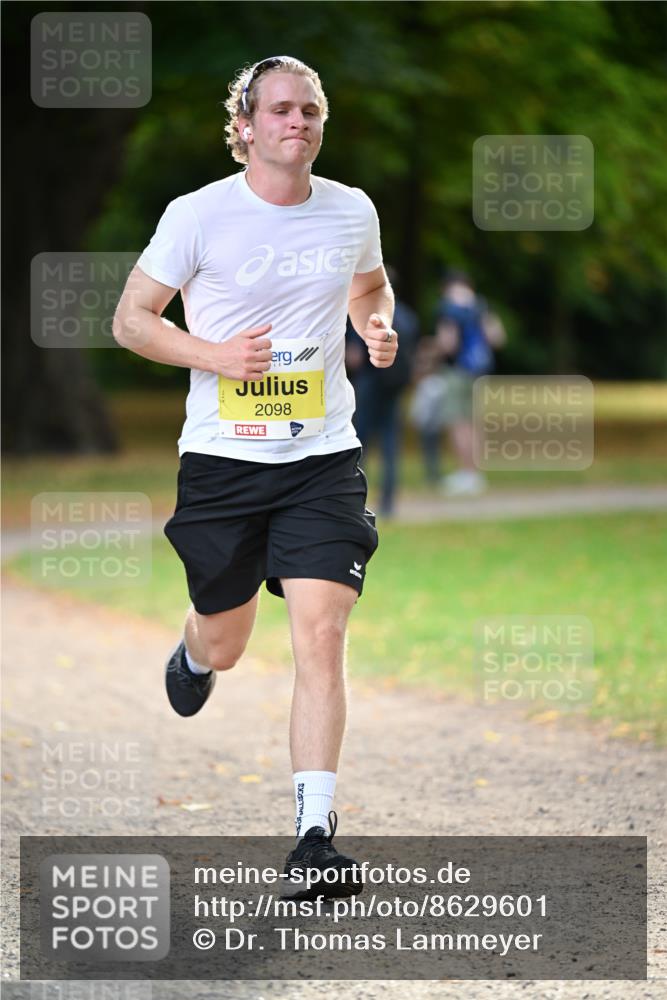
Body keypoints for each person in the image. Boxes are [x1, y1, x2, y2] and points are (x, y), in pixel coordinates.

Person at [113, 56, 398, 898]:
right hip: (223, 463)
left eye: (310, 109)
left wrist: (375, 326)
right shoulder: (196, 215)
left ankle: (314, 837)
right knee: (230, 638)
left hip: (321, 458)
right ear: (243, 126)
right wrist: (213, 356)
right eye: (278, 110)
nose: (297, 122)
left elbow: (370, 285)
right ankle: (197, 651)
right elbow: (131, 320)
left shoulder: (350, 209)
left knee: (321, 630)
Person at [345, 265, 419, 515]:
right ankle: (388, 502)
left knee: (359, 442)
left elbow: (354, 357)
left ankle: (355, 498)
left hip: (369, 382)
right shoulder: (408, 317)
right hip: (395, 386)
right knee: (390, 442)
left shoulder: (366, 316)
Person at [434, 270, 505, 495]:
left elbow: (448, 344)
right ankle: (475, 473)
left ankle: (466, 474)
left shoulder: (449, 308)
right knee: (475, 423)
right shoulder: (481, 305)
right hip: (480, 372)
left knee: (458, 422)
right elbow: (498, 338)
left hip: (457, 372)